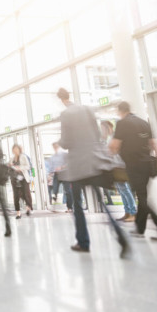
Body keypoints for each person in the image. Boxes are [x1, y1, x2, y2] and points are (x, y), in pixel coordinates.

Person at [56, 88, 129, 258]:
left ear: (60, 99)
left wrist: (60, 141)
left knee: (77, 204)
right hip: (94, 161)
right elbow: (97, 134)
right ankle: (121, 237)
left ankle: (83, 242)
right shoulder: (87, 109)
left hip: (77, 166)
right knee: (101, 202)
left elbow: (66, 142)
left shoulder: (66, 114)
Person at [109, 102, 157, 242]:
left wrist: (107, 158)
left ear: (120, 111)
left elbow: (114, 146)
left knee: (141, 198)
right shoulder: (144, 123)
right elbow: (154, 144)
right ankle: (140, 228)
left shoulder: (122, 123)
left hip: (134, 164)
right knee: (142, 195)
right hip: (147, 164)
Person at [101, 121, 136, 222]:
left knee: (124, 189)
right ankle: (127, 212)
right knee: (121, 190)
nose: (102, 131)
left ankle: (133, 213)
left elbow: (114, 151)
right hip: (114, 166)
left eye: (103, 128)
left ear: (108, 128)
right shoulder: (109, 138)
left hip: (119, 165)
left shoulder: (115, 137)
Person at [10, 144, 33, 219]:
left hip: (24, 178)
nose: (15, 151)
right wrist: (10, 166)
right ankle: (18, 212)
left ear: (19, 149)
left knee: (26, 193)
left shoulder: (23, 156)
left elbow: (28, 166)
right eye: (14, 149)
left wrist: (20, 168)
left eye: (17, 149)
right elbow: (9, 167)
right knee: (16, 195)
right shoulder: (12, 158)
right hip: (15, 179)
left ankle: (28, 208)